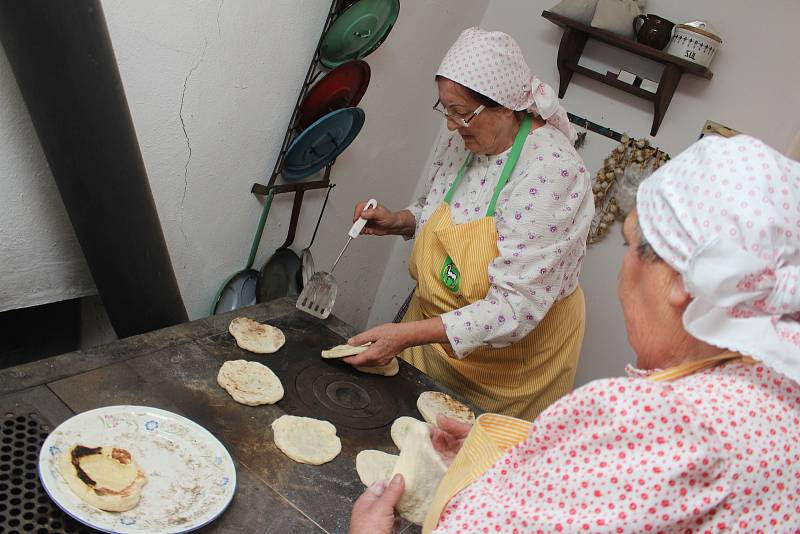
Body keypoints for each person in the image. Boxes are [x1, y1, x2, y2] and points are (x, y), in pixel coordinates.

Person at [349, 134, 800, 533]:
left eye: (629, 247)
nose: (621, 271)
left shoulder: (655, 426)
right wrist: (496, 456)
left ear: (682, 283)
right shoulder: (777, 387)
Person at [343, 27, 594, 420]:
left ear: (507, 106)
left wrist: (405, 336)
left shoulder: (552, 173)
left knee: (470, 468)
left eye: (461, 113)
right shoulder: (466, 134)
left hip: (509, 371)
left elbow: (515, 306)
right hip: (433, 345)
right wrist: (399, 221)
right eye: (447, 110)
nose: (451, 125)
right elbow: (439, 208)